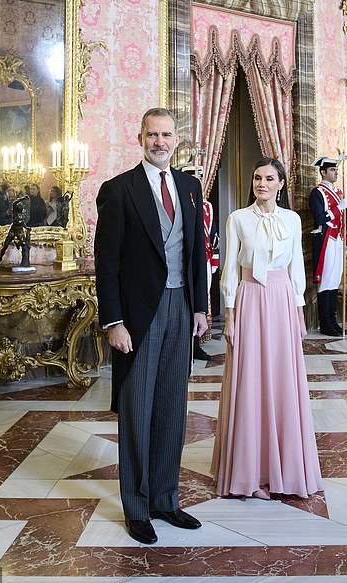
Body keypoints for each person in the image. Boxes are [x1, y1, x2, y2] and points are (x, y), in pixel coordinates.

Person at [94, 107, 208, 545]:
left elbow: (195, 252)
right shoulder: (118, 190)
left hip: (182, 308)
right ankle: (137, 508)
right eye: (152, 135)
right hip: (138, 317)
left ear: (176, 139)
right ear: (139, 138)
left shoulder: (190, 187)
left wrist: (200, 308)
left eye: (166, 134)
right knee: (138, 411)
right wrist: (114, 321)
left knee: (171, 410)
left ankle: (165, 498)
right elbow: (107, 264)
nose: (159, 142)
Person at [211, 157, 323, 499]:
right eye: (258, 178)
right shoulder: (238, 219)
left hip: (282, 300)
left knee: (283, 379)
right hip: (249, 300)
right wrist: (229, 313)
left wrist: (300, 308)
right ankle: (251, 473)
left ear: (281, 184)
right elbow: (229, 269)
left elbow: (296, 271)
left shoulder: (291, 219)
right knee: (250, 380)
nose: (262, 183)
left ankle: (287, 469)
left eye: (269, 178)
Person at [309, 156, 347, 336]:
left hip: (338, 241)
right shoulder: (317, 193)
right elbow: (319, 218)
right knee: (326, 281)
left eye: (336, 170)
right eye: (332, 170)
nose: (336, 173)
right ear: (323, 172)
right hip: (326, 240)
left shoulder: (339, 193)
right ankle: (325, 323)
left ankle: (333, 321)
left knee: (335, 282)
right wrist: (337, 208)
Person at [181, 159, 219, 362]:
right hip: (185, 263)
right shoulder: (180, 201)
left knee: (200, 302)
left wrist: (213, 260)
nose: (198, 181)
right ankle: (186, 346)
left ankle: (196, 345)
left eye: (200, 177)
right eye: (194, 177)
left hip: (203, 259)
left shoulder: (207, 206)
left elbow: (212, 235)